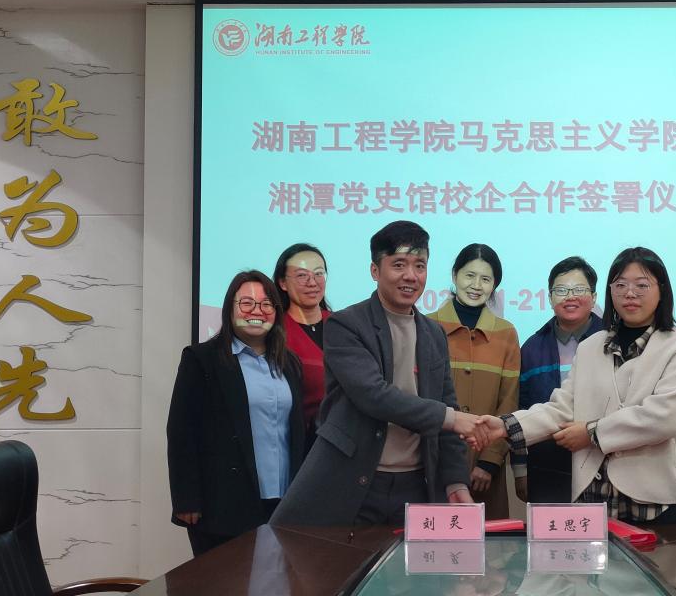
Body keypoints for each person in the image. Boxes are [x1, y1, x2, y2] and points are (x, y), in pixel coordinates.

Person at [271, 221, 486, 527]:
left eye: (420, 265)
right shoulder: (346, 325)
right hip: (354, 480)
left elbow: (446, 402)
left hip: (417, 484)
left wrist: (455, 481)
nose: (411, 275)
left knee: (418, 560)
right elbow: (373, 395)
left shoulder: (433, 333)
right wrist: (450, 418)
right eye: (398, 264)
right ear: (375, 270)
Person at [475, 247, 676, 524]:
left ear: (662, 290)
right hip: (594, 496)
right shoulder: (591, 346)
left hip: (659, 502)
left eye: (642, 285)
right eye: (620, 285)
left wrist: (592, 432)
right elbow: (562, 407)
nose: (630, 293)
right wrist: (505, 426)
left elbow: (664, 418)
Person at [167, 271, 307, 556]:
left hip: (284, 500)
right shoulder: (201, 359)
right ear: (229, 308)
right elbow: (182, 432)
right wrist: (186, 499)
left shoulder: (289, 363)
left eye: (266, 304)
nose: (257, 311)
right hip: (223, 504)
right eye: (247, 303)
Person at [429, 243, 521, 519]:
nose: (476, 286)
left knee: (489, 542)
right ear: (454, 275)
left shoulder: (506, 333)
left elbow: (509, 400)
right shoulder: (427, 326)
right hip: (433, 462)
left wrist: (490, 461)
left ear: (494, 285)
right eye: (469, 275)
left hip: (484, 470)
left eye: (486, 279)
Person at [516, 256, 604, 503]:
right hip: (547, 461)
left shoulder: (612, 340)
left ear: (594, 297)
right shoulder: (532, 348)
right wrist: (520, 468)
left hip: (601, 459)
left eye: (579, 290)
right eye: (561, 290)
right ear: (550, 297)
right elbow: (522, 406)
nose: (570, 297)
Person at [273, 243, 330, 435]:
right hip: (298, 438)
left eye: (319, 273)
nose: (312, 282)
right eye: (301, 275)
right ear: (282, 282)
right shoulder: (275, 331)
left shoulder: (344, 325)